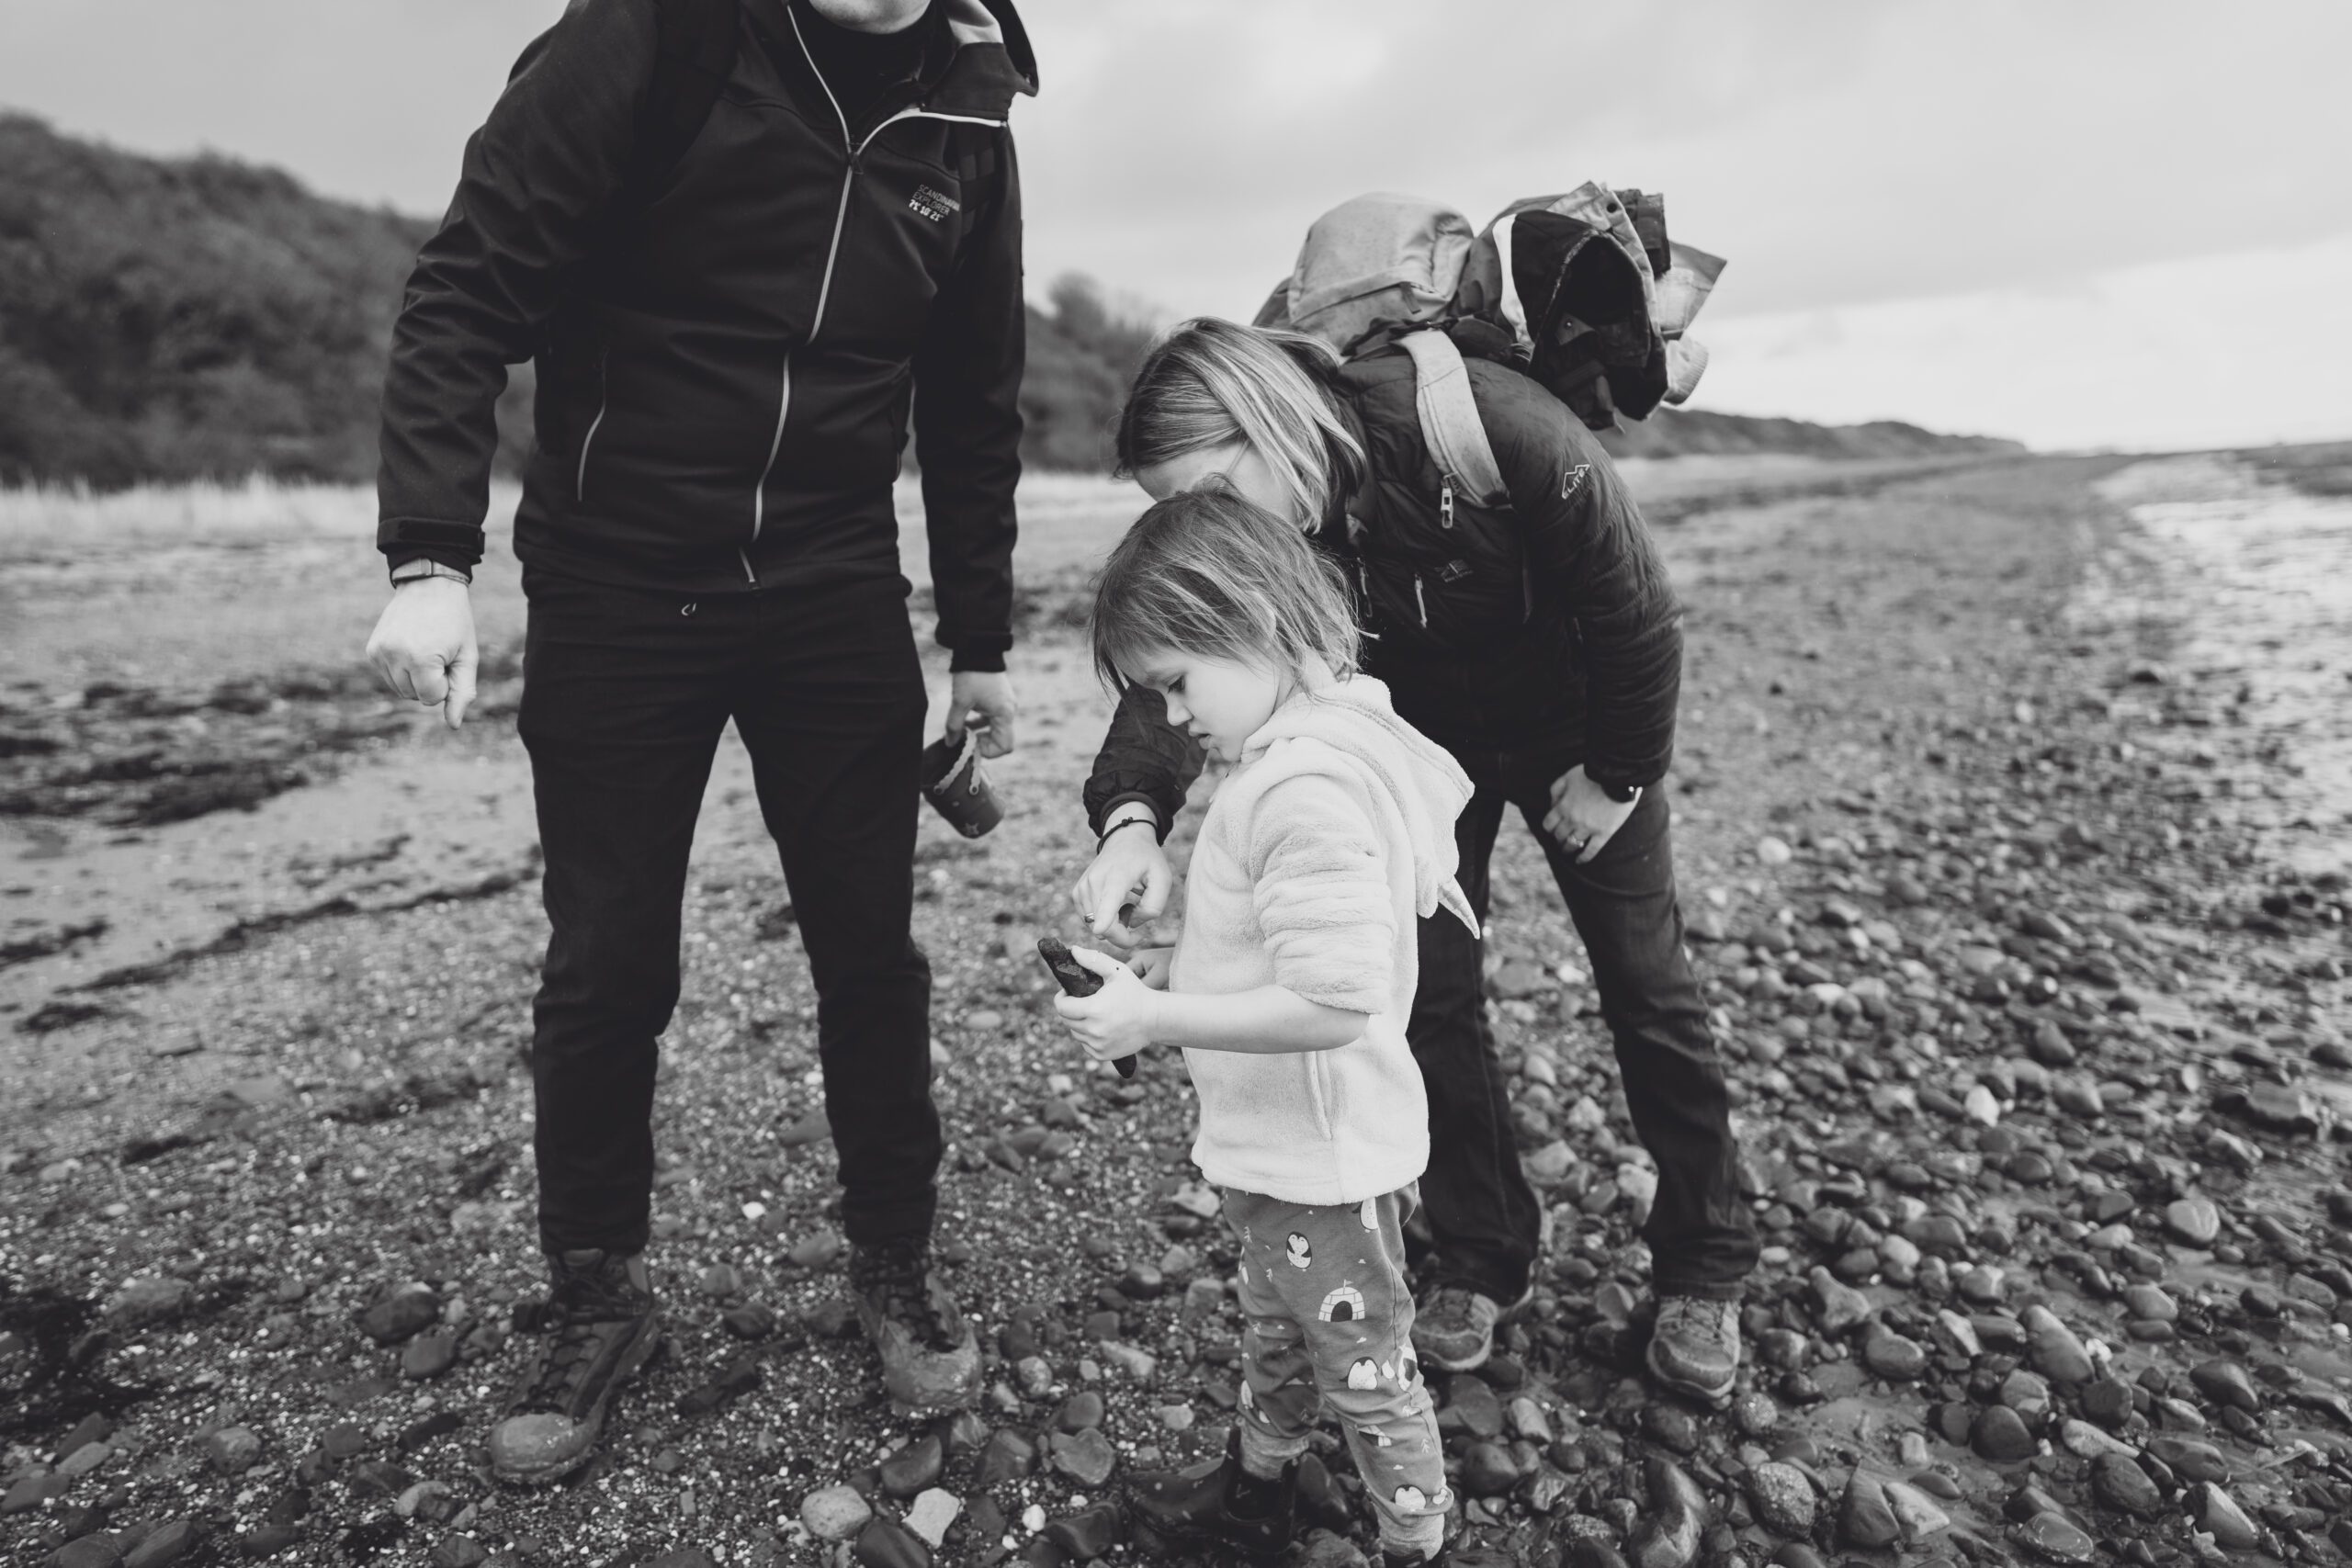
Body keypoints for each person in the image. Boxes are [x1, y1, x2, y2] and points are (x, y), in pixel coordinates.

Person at [363, 0, 1035, 1482]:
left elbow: (973, 398)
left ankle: (893, 1264)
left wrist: (978, 637)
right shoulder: (656, 39)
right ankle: (595, 1292)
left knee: (871, 948)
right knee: (608, 961)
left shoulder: (973, 117)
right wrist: (429, 561)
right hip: (615, 575)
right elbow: (465, 290)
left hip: (835, 588)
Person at [1072, 319, 1758, 1406]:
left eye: (1206, 487)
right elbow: (1183, 662)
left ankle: (1705, 1262)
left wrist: (1616, 775)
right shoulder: (1261, 531)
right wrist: (1131, 822)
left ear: (1265, 422)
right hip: (1418, 752)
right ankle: (1486, 1257)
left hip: (1582, 730)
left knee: (1648, 984)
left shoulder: (1484, 424)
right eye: (1174, 510)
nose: (1202, 524)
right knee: (1428, 998)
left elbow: (1635, 608)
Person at [1056, 486, 1472, 1567]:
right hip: (1289, 1159)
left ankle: (1412, 1537)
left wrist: (1151, 1016)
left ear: (1252, 621)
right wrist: (1160, 967)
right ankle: (1260, 1482)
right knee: (1277, 1332)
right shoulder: (1311, 746)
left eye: (1177, 684)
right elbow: (1281, 953)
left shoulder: (1301, 790)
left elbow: (1333, 1001)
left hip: (1325, 1165)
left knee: (1369, 1373)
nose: (1174, 718)